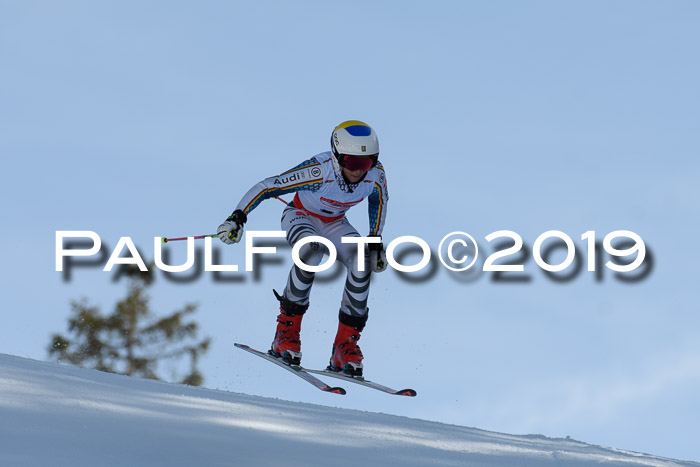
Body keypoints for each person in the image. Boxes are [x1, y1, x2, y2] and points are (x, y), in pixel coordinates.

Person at [217, 120, 389, 377]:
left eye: (366, 163)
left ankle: (345, 346)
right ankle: (285, 332)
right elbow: (267, 186)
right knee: (312, 251)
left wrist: (375, 239)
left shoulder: (375, 175)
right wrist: (237, 217)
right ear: (336, 155)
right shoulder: (319, 171)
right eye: (352, 162)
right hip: (300, 215)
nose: (358, 171)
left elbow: (380, 201)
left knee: (362, 260)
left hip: (336, 223)